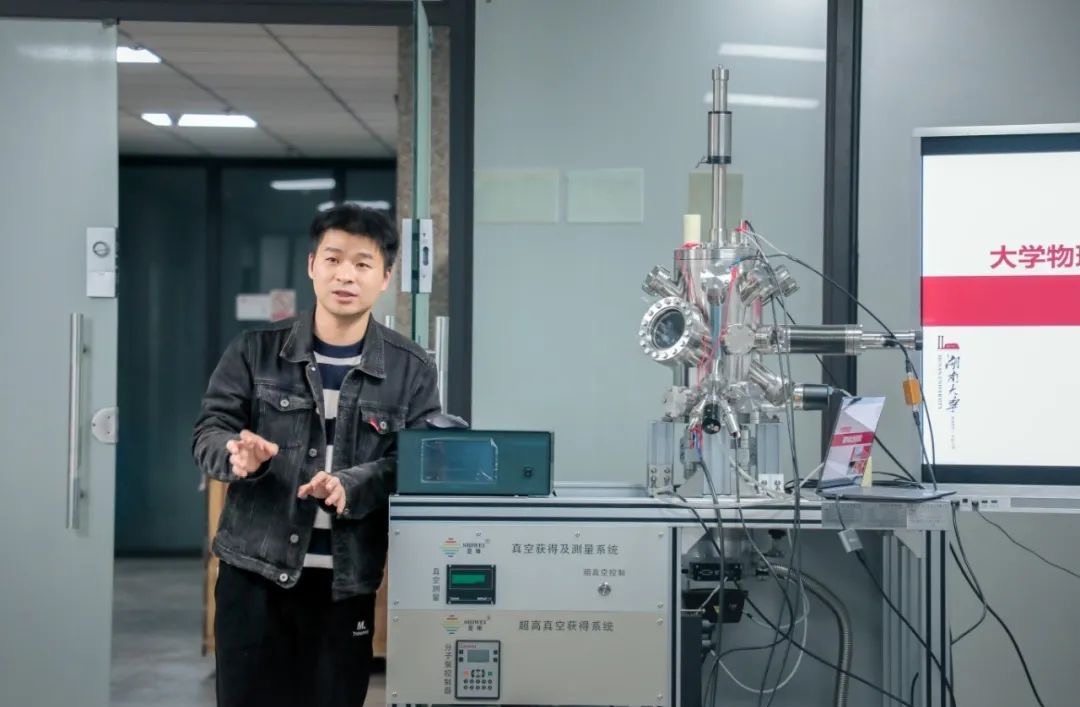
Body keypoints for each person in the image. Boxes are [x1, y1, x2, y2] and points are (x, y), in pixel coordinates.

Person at [192, 204, 441, 707]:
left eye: (362, 263)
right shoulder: (253, 351)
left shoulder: (411, 368)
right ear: (311, 266)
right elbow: (209, 432)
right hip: (254, 576)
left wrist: (352, 483)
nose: (345, 274)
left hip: (344, 584)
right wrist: (236, 454)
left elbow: (418, 462)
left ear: (385, 277)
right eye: (333, 259)